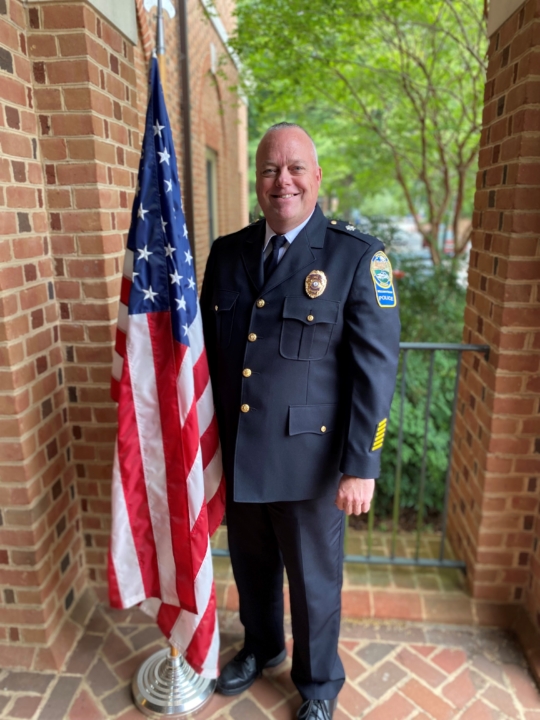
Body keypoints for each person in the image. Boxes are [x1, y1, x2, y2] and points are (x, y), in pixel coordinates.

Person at [200, 122, 400, 720]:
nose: (280, 180)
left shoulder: (356, 257)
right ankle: (261, 648)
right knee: (253, 568)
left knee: (315, 585)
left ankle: (317, 685)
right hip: (241, 454)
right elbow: (208, 354)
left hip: (311, 465)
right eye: (268, 169)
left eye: (293, 169)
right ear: (257, 180)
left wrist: (362, 464)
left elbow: (377, 371)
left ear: (316, 178)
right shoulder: (228, 253)